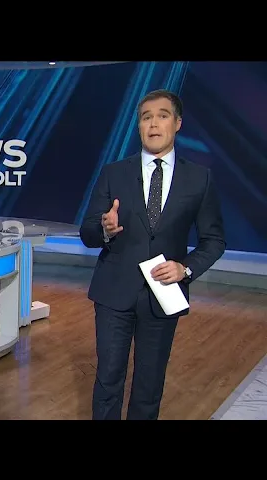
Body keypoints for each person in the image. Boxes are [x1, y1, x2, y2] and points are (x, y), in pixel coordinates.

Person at [79, 89, 226, 420]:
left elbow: (214, 240)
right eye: (146, 117)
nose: (154, 124)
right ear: (139, 126)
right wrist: (104, 229)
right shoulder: (114, 173)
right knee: (108, 379)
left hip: (163, 295)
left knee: (149, 385)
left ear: (177, 123)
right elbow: (87, 233)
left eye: (162, 116)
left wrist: (185, 269)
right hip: (114, 293)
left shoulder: (199, 178)